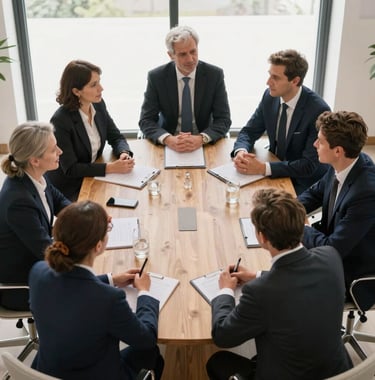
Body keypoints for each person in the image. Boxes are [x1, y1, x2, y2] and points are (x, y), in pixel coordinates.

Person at [206, 188, 352, 380]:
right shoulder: (330, 256)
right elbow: (297, 280)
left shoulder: (259, 293)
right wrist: (257, 275)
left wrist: (225, 289)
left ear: (262, 237)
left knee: (218, 362)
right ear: (302, 224)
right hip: (340, 370)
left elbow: (222, 336)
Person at [29, 200, 164, 380]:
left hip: (48, 370)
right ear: (98, 246)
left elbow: (72, 290)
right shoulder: (109, 299)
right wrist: (144, 292)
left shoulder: (38, 272)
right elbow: (146, 338)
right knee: (152, 353)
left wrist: (111, 280)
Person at [298, 110, 375, 309]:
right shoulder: (347, 164)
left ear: (338, 150)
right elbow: (314, 194)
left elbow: (332, 249)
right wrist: (286, 210)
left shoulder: (366, 192)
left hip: (354, 272)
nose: (315, 145)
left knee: (288, 283)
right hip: (337, 246)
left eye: (320, 141)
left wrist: (299, 228)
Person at [232, 49, 330, 194]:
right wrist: (241, 151)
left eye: (275, 78)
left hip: (302, 179)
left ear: (295, 81)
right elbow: (249, 131)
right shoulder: (270, 96)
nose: (268, 82)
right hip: (274, 166)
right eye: (269, 75)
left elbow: (309, 165)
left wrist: (263, 168)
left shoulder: (317, 110)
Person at [0, 122, 70, 310]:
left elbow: (60, 201)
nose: (60, 152)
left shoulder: (35, 175)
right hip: (22, 286)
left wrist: (88, 216)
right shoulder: (18, 201)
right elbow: (46, 252)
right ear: (35, 160)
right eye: (54, 149)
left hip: (37, 262)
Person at [46, 60, 135, 201]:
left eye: (99, 82)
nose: (101, 88)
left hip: (93, 174)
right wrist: (111, 168)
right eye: (94, 85)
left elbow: (116, 137)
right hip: (71, 186)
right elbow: (71, 169)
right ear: (76, 91)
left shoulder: (98, 105)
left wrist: (123, 153)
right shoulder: (61, 120)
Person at [139, 25, 231, 152]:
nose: (190, 59)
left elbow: (223, 119)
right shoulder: (157, 77)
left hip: (203, 142)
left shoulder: (214, 75)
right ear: (171, 55)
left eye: (193, 51)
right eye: (182, 54)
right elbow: (146, 120)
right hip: (169, 142)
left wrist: (201, 138)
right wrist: (168, 139)